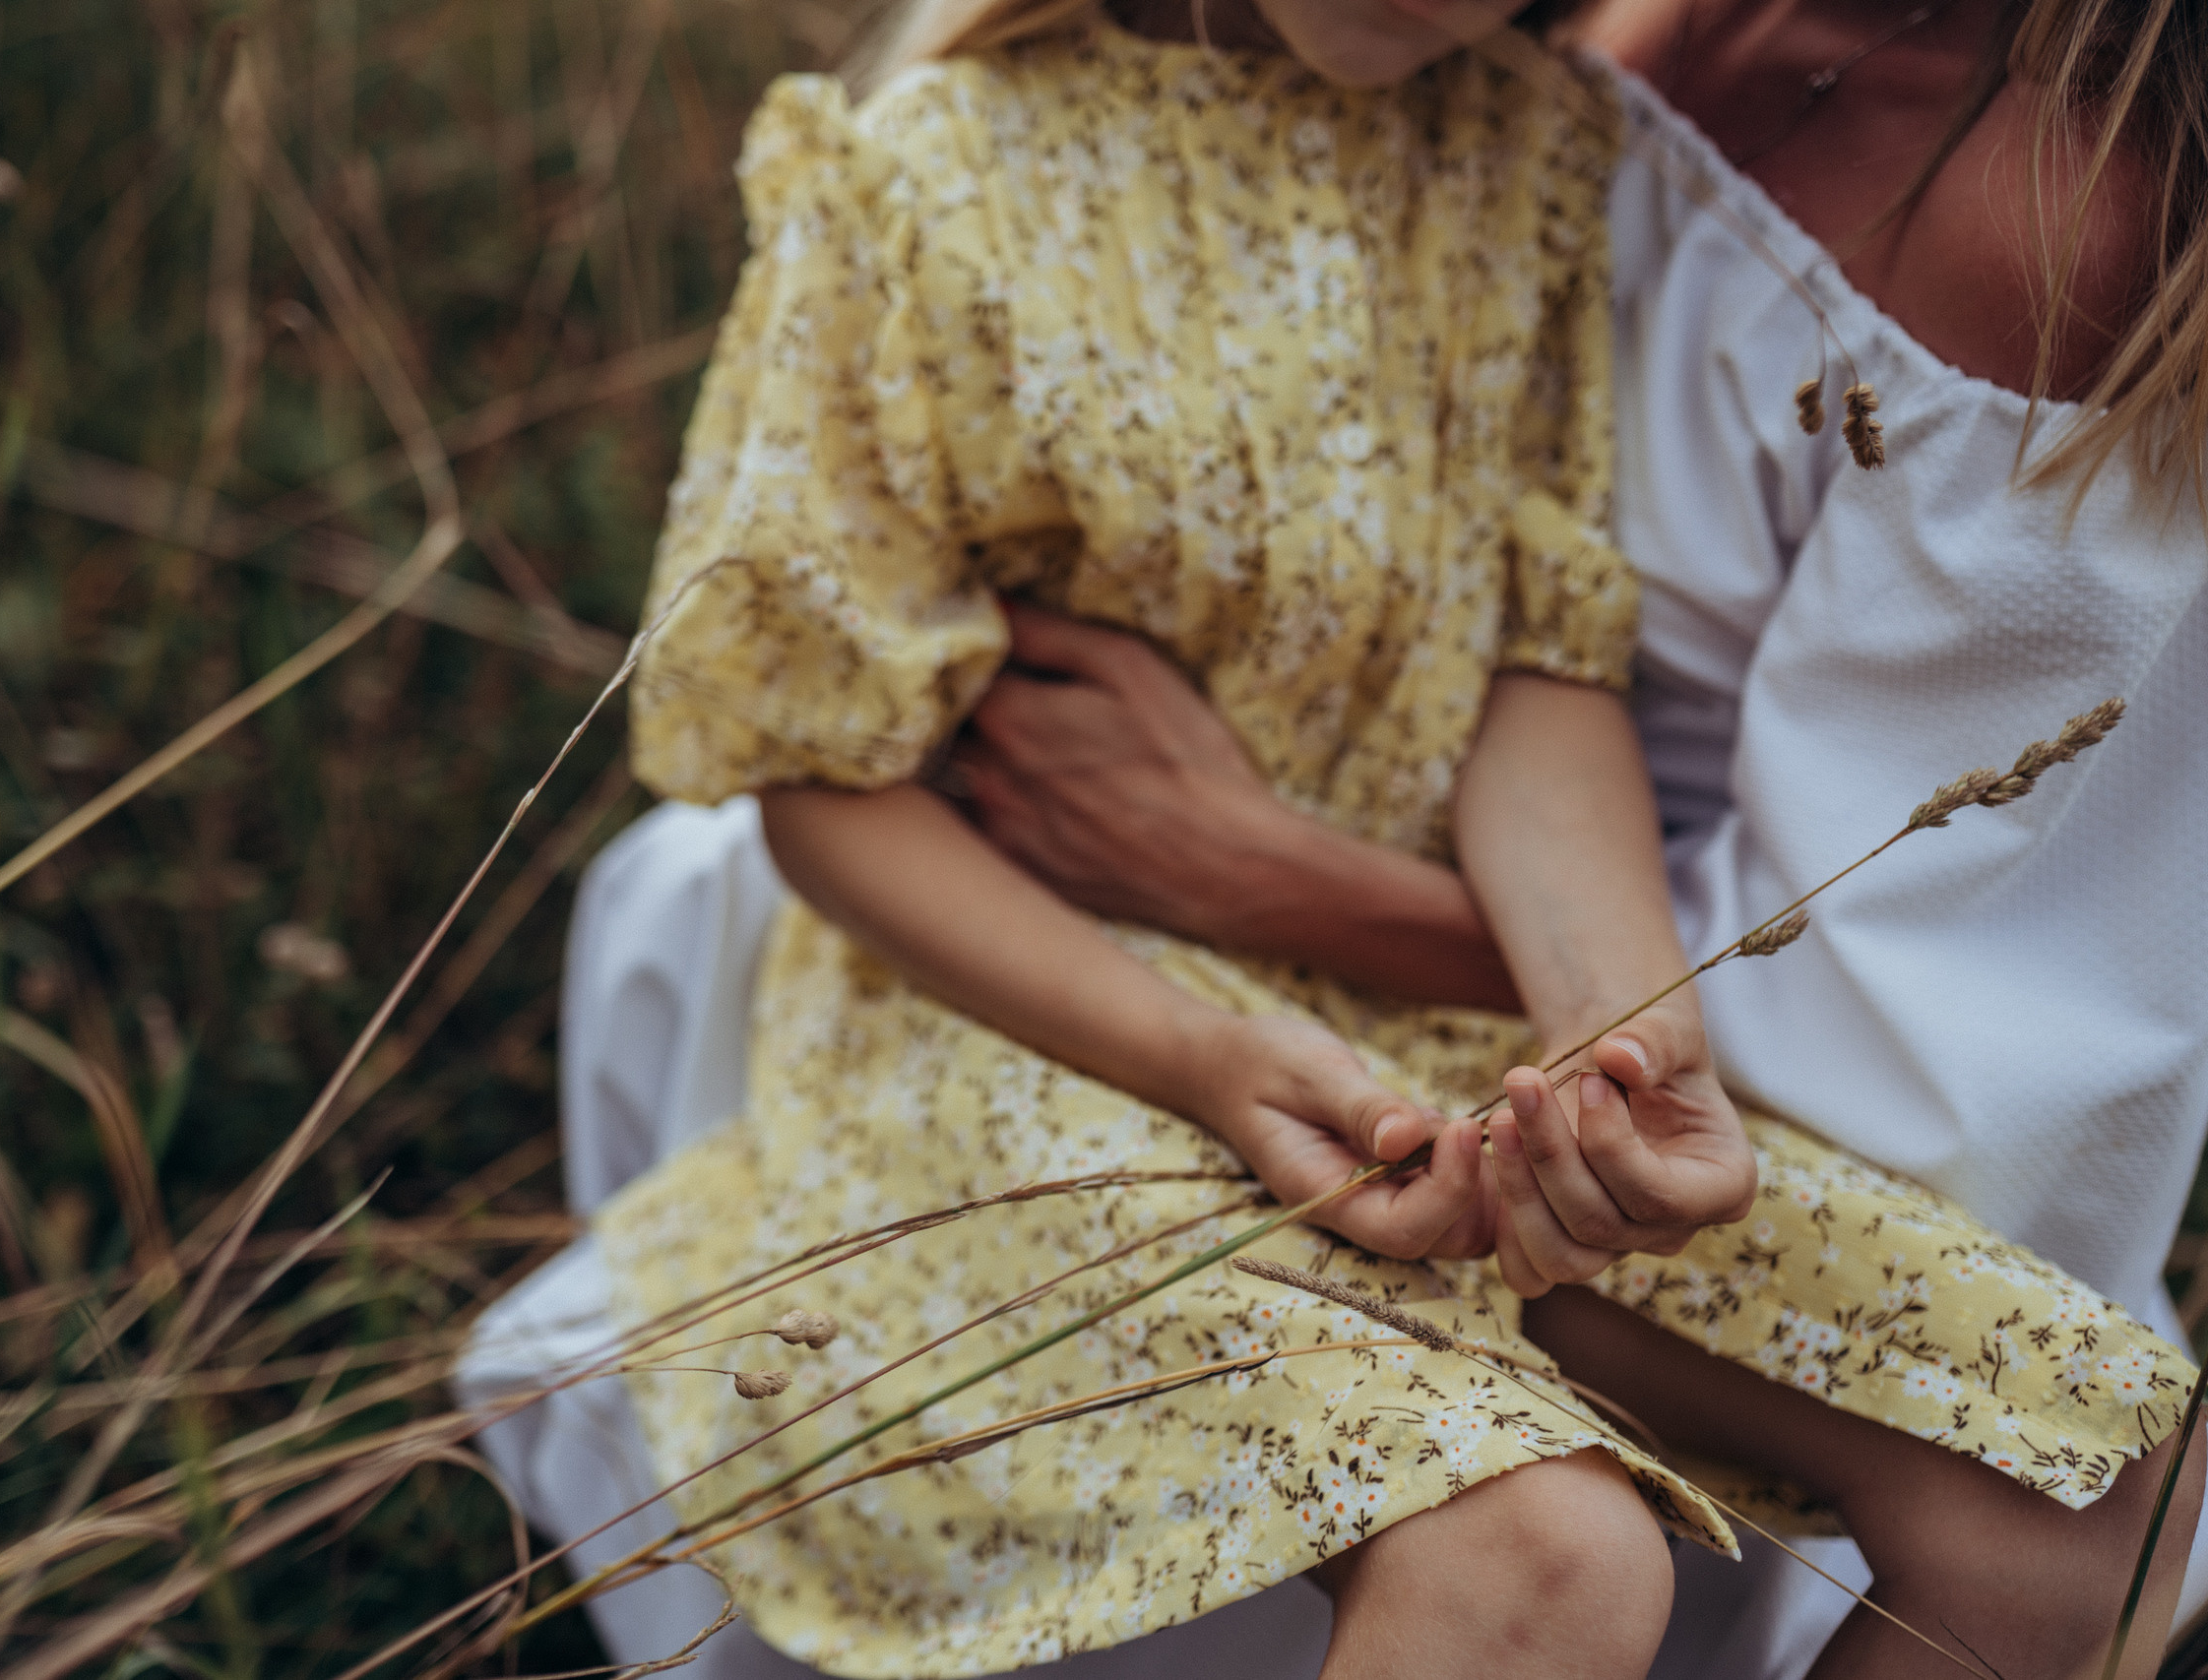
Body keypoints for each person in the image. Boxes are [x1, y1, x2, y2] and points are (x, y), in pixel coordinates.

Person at [459, 2, 2208, 1676]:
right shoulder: (919, 183)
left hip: (1422, 1042)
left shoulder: (1520, 147)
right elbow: (820, 788)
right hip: (1044, 1010)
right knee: (1550, 1563)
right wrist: (1204, 1055)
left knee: (2096, 1505)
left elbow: (1538, 664)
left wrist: (1626, 1034)